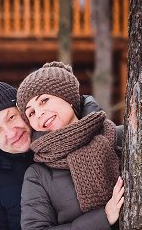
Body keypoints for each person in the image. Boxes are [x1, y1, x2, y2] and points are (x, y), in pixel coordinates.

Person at [0, 81, 104, 230]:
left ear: (24, 112)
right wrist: (102, 219)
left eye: (11, 117)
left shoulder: (69, 136)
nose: (11, 133)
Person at [16, 61, 124, 230]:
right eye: (31, 113)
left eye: (44, 101)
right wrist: (103, 218)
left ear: (68, 98)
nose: (39, 114)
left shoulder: (121, 137)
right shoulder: (38, 175)